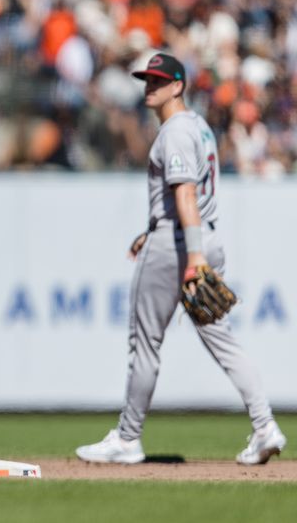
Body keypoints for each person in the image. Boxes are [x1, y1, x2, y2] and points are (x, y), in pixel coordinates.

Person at [75, 53, 286, 466]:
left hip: (179, 246)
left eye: (159, 81)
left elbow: (185, 192)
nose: (150, 87)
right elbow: (185, 197)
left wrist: (191, 257)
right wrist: (155, 230)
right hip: (201, 235)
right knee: (223, 341)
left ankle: (127, 437)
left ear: (178, 86)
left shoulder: (174, 131)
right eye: (146, 81)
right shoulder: (200, 128)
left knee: (145, 344)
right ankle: (265, 427)